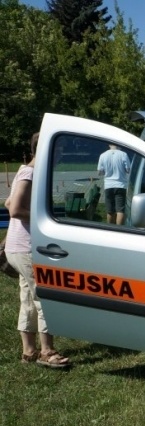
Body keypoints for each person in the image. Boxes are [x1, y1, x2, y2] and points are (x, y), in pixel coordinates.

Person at [4, 133, 70, 369]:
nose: (59, 156)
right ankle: (47, 351)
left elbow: (8, 203)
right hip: (26, 247)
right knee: (45, 297)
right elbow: (15, 210)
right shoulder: (30, 174)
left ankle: (29, 351)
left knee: (28, 299)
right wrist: (43, 218)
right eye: (57, 150)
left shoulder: (25, 171)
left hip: (17, 247)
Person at [97, 143, 131, 224]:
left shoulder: (103, 155)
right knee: (120, 210)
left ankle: (110, 228)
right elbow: (128, 170)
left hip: (108, 185)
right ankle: (119, 229)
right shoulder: (123, 154)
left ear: (109, 144)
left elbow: (99, 172)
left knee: (110, 210)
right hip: (120, 185)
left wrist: (106, 171)